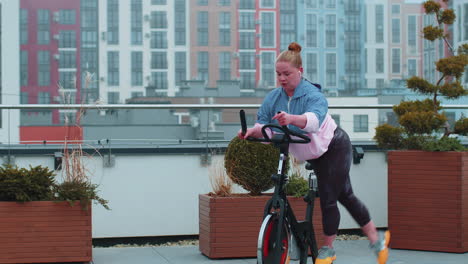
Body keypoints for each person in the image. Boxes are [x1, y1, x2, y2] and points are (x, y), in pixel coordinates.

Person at [237, 42, 390, 264]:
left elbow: (314, 121)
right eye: (278, 74)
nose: (282, 78)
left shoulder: (312, 94)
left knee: (330, 197)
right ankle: (376, 238)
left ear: (300, 72)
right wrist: (250, 131)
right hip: (312, 152)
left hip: (334, 146)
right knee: (345, 194)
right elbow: (263, 126)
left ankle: (328, 249)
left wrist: (291, 119)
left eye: (287, 74)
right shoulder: (273, 98)